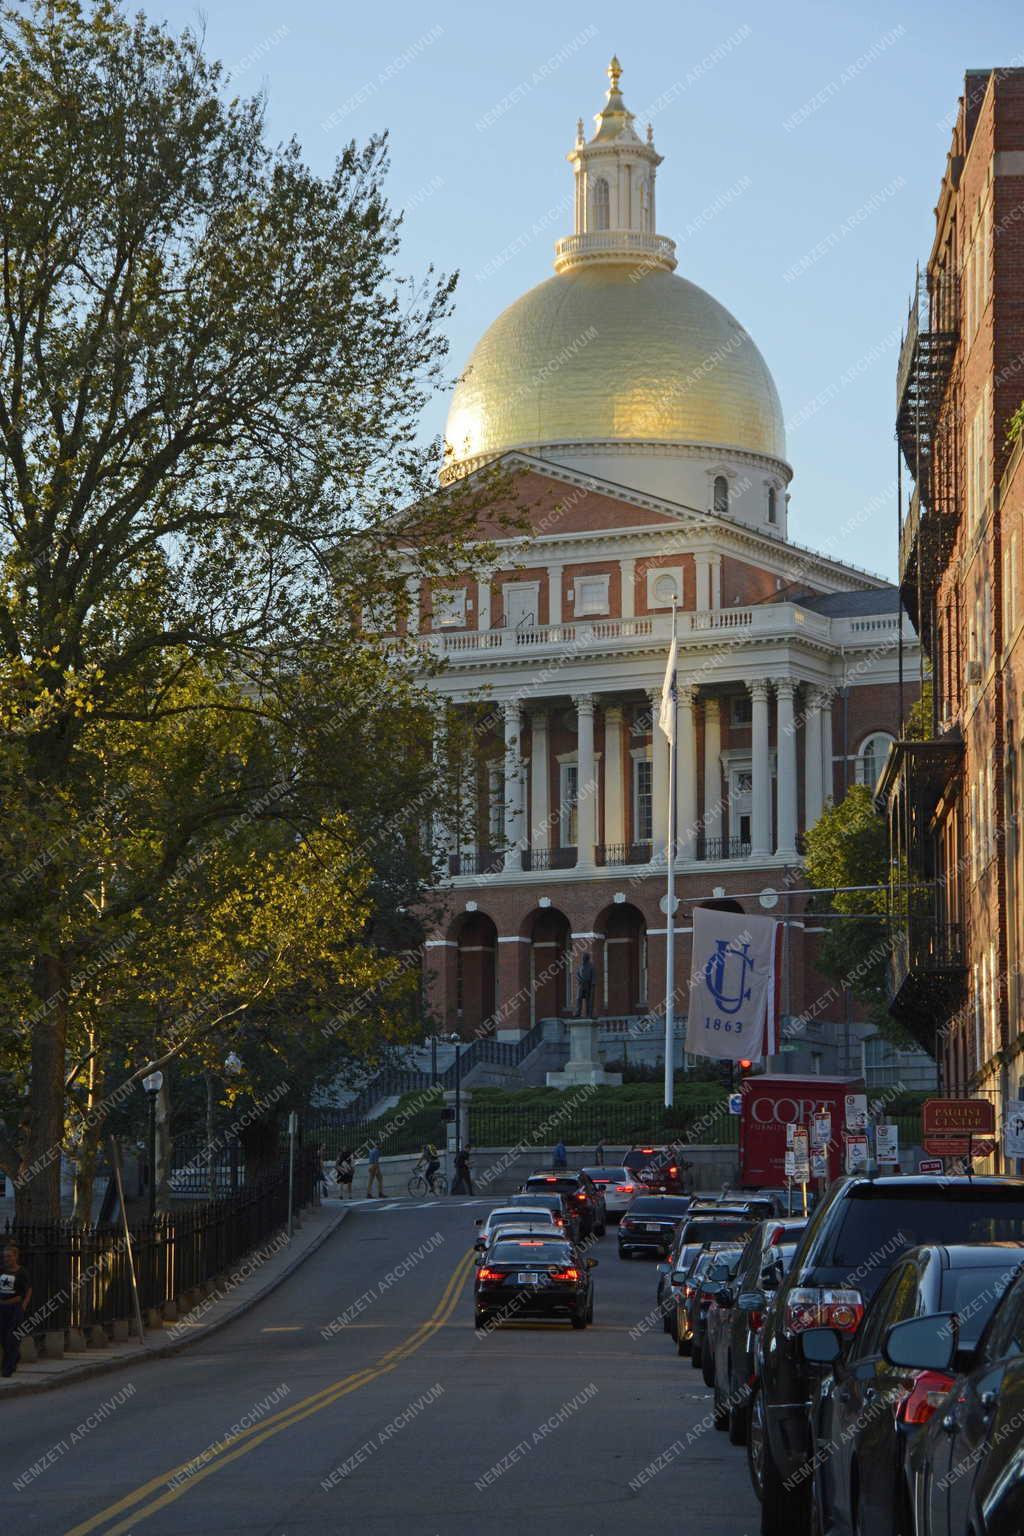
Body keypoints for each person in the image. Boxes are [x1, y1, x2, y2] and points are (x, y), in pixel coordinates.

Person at [0, 1240, 31, 1378]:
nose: (7, 1259)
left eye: (9, 1256)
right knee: (3, 1338)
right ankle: (15, 1356)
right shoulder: (2, 1270)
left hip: (14, 1307)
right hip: (2, 1307)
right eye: (5, 1256)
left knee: (11, 1338)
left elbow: (28, 1289)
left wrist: (23, 1305)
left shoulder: (22, 1272)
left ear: (15, 1256)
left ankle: (8, 1367)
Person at [575, 951, 595, 1018]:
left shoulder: (591, 966)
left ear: (587, 958)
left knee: (588, 999)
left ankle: (588, 1013)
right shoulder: (580, 966)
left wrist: (593, 984)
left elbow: (593, 976)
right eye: (582, 957)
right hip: (581, 984)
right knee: (578, 998)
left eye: (584, 957)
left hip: (587, 984)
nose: (582, 959)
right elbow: (577, 974)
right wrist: (579, 979)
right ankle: (578, 1013)